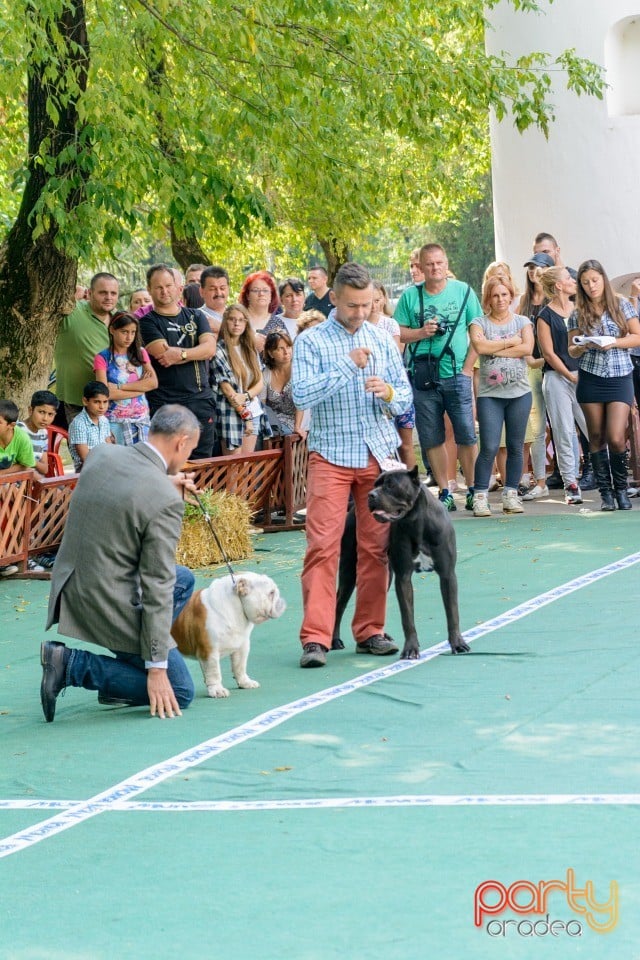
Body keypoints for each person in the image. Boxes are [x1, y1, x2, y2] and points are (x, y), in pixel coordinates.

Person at [40, 405, 201, 722]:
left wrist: (164, 484)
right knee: (181, 690)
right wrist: (156, 666)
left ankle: (132, 661)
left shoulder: (102, 454)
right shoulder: (165, 501)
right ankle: (70, 664)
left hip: (71, 580)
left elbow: (123, 491)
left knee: (185, 580)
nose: (186, 459)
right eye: (190, 450)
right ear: (181, 442)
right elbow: (157, 583)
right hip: (107, 599)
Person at [291, 262, 412, 668]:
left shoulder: (382, 337)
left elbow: (407, 399)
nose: (361, 312)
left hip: (378, 458)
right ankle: (316, 639)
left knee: (376, 548)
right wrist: (347, 365)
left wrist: (389, 392)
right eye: (352, 305)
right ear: (335, 299)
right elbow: (301, 396)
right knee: (322, 547)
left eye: (367, 304)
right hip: (330, 456)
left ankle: (370, 631)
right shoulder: (311, 342)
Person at [394, 242, 481, 511]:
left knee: (466, 434)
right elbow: (397, 333)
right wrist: (421, 332)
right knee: (432, 437)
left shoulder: (464, 291)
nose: (434, 268)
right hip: (423, 375)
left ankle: (474, 490)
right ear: (420, 266)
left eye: (439, 263)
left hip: (456, 373)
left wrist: (468, 369)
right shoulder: (410, 297)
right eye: (429, 264)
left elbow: (478, 332)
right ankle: (445, 490)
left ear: (446, 263)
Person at [568, 259, 640, 511]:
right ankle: (606, 493)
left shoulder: (620, 304)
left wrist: (614, 342)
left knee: (616, 436)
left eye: (595, 280)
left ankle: (622, 490)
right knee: (596, 436)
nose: (591, 286)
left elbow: (637, 336)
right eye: (585, 282)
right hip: (591, 377)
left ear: (603, 279)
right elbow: (572, 350)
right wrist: (581, 345)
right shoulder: (577, 312)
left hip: (620, 376)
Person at [468, 276, 534, 517]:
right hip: (490, 395)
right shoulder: (478, 323)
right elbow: (481, 348)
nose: (500, 300)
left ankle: (511, 494)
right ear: (488, 298)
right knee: (490, 446)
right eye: (495, 295)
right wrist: (510, 342)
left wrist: (499, 346)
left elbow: (527, 348)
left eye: (504, 294)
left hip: (519, 393)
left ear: (511, 296)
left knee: (516, 446)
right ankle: (480, 497)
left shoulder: (523, 321)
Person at [139, 263, 217, 459]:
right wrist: (195, 351)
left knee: (202, 462)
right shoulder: (147, 322)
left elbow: (210, 348)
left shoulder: (196, 315)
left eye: (168, 285)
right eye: (158, 287)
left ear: (177, 287)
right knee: (169, 461)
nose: (164, 291)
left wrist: (181, 355)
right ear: (150, 290)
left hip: (200, 400)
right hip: (165, 402)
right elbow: (164, 355)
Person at [536, 267, 587, 504]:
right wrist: (569, 374)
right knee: (564, 430)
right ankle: (571, 483)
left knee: (593, 426)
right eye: (568, 278)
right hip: (557, 378)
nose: (572, 281)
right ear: (558, 285)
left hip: (584, 374)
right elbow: (548, 353)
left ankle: (608, 476)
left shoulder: (579, 310)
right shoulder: (545, 316)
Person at [53, 272, 119, 427]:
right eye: (103, 292)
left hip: (113, 401)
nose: (108, 297)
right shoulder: (72, 311)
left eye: (113, 293)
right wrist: (74, 294)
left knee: (110, 449)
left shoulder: (120, 319)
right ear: (90, 293)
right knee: (85, 449)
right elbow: (54, 295)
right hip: (78, 399)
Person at [213, 304, 270, 455]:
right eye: (232, 319)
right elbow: (227, 390)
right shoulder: (219, 350)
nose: (237, 323)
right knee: (233, 471)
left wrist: (245, 396)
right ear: (225, 322)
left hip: (254, 411)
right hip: (231, 414)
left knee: (246, 470)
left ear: (246, 323)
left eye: (241, 320)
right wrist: (246, 417)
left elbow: (260, 382)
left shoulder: (250, 349)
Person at [94, 311, 158, 445]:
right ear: (112, 330)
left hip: (141, 420)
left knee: (142, 462)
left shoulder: (140, 353)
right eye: (124, 332)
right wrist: (140, 387)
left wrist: (119, 387)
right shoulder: (102, 358)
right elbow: (105, 394)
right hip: (115, 421)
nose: (129, 337)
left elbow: (153, 383)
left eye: (133, 332)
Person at [260, 331, 307, 438]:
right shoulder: (265, 373)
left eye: (288, 346)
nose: (286, 352)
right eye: (280, 348)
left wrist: (297, 427)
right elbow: (262, 405)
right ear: (271, 353)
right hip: (273, 423)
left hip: (297, 424)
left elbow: (301, 402)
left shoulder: (300, 370)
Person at [68, 381, 114, 471]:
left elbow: (109, 447)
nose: (102, 406)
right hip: (86, 470)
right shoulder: (79, 423)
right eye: (97, 402)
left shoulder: (104, 420)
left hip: (104, 465)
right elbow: (85, 458)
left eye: (105, 402)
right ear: (85, 401)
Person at [17, 389, 59, 478]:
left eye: (50, 414)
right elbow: (21, 467)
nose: (45, 418)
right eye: (41, 412)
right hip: (20, 483)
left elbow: (44, 469)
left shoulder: (43, 433)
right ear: (30, 410)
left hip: (38, 482)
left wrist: (30, 460)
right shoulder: (18, 430)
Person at [239, 271, 279, 353]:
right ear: (247, 295)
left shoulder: (277, 323)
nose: (261, 294)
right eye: (256, 290)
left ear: (271, 295)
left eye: (265, 290)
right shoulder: (237, 319)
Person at [264, 277, 306, 341]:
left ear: (304, 296)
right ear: (281, 300)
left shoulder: (314, 321)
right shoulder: (273, 322)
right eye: (289, 296)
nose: (294, 299)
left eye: (298, 294)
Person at [199, 265, 230, 336]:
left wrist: (220, 327)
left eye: (222, 288)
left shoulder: (239, 314)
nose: (218, 293)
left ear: (228, 289)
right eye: (212, 289)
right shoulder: (196, 317)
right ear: (201, 291)